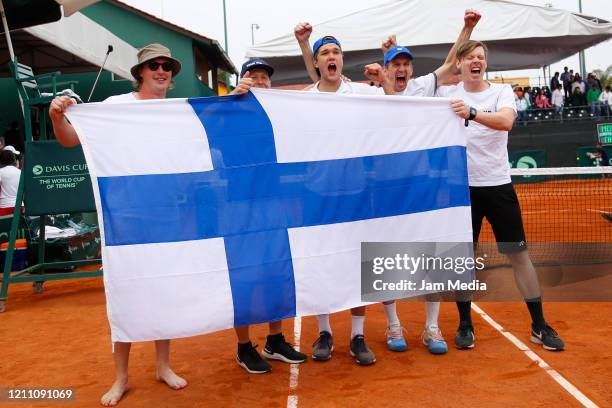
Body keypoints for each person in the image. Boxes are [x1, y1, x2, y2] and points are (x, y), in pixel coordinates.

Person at [49, 43, 188, 406]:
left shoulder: (180, 111)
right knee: (124, 295)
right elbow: (69, 140)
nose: (161, 71)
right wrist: (56, 117)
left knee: (165, 293)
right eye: (154, 65)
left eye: (167, 66)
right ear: (139, 72)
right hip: (123, 218)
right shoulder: (114, 108)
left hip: (167, 217)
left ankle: (162, 366)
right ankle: (121, 378)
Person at [360, 9, 481, 355]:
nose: (401, 69)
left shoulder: (422, 87)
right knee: (384, 258)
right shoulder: (369, 95)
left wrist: (467, 28)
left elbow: (450, 62)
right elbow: (324, 83)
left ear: (410, 69)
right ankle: (393, 324)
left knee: (433, 255)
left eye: (405, 64)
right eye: (394, 64)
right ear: (385, 69)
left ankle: (431, 327)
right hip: (385, 188)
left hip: (425, 187)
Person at [436, 40, 565, 351]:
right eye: (469, 58)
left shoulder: (502, 92)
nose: (476, 61)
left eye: (481, 57)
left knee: (518, 255)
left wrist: (472, 112)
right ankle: (465, 323)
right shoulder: (445, 95)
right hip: (462, 191)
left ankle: (538, 324)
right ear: (460, 65)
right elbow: (408, 94)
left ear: (485, 63)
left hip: (498, 186)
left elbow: (506, 122)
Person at [229, 58, 308, 374]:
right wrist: (232, 99)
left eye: (265, 77)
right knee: (245, 277)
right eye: (254, 76)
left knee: (277, 271)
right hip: (239, 207)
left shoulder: (281, 112)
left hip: (275, 205)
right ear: (243, 80)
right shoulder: (228, 110)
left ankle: (275, 341)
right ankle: (243, 347)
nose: (260, 81)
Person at [0, 149, 22, 216]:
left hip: (4, 206)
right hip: (19, 206)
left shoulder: (1, 172)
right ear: (13, 159)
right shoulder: (20, 172)